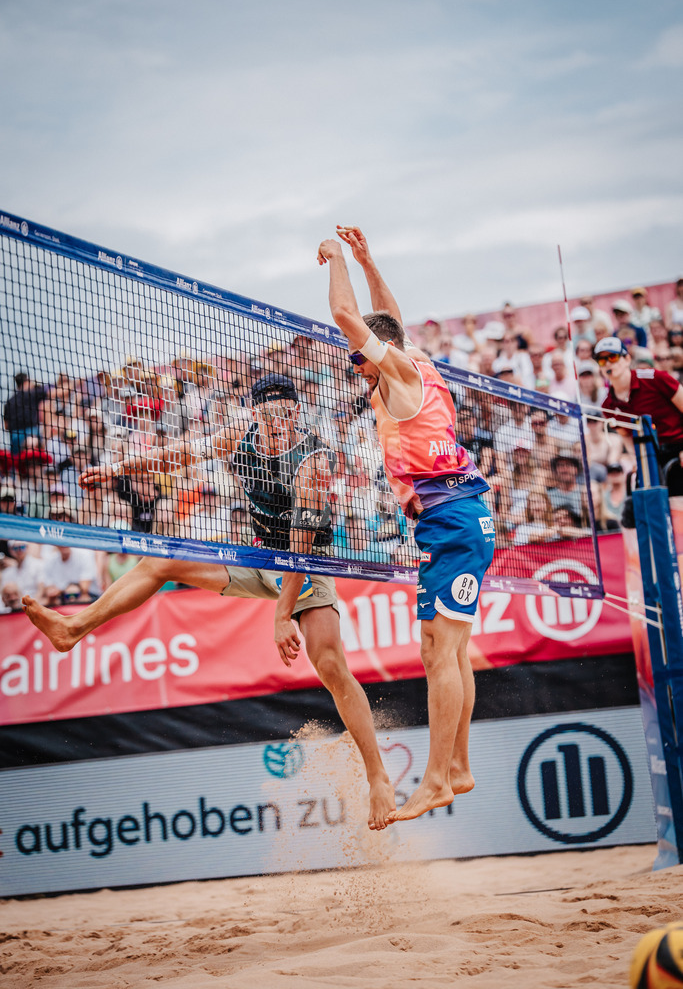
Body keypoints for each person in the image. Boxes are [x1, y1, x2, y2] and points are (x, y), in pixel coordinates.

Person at [22, 372, 396, 831]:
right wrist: (120, 469)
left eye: (285, 412)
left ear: (297, 411)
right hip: (257, 554)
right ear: (255, 414)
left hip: (308, 564)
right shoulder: (238, 436)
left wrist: (283, 617)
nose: (276, 420)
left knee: (332, 666)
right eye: (267, 412)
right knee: (160, 561)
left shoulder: (313, 461)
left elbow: (298, 549)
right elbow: (177, 455)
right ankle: (72, 628)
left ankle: (377, 776)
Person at [322, 225, 495, 822]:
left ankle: (433, 781)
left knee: (436, 652)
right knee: (451, 650)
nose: (357, 372)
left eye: (361, 361)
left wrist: (338, 258)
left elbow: (348, 313)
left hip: (452, 519)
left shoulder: (396, 374)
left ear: (379, 353)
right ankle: (459, 768)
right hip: (455, 517)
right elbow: (387, 317)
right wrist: (372, 260)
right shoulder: (416, 361)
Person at [596, 336, 683, 490]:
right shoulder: (608, 405)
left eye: (613, 357)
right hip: (651, 455)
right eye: (602, 360)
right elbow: (626, 436)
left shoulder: (655, 378)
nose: (608, 363)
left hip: (678, 446)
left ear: (627, 359)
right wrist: (638, 460)